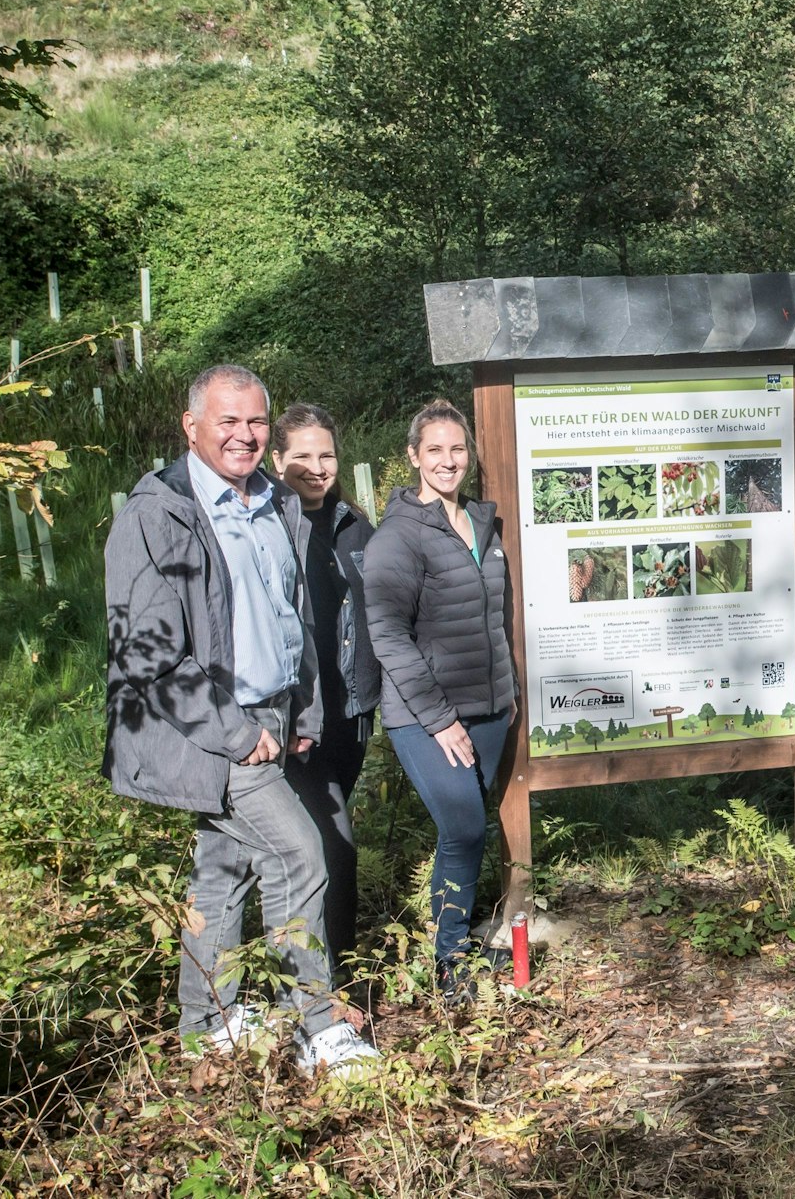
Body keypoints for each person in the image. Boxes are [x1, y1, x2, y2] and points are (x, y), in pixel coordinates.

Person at [102, 365, 378, 1075]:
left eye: (256, 421)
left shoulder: (276, 502)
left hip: (272, 713)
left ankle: (209, 1022)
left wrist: (303, 707)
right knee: (299, 855)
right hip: (212, 727)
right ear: (191, 425)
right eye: (228, 420)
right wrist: (236, 732)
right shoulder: (158, 513)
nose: (245, 435)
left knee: (223, 870)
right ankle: (316, 1026)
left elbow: (292, 615)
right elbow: (148, 652)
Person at [363, 400, 516, 992]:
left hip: (489, 710)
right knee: (464, 828)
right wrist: (438, 719)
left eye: (457, 449)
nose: (448, 461)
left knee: (467, 831)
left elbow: (494, 618)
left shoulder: (481, 524)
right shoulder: (398, 536)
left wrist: (508, 691)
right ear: (413, 456)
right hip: (427, 717)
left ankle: (457, 944)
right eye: (435, 450)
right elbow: (387, 636)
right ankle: (449, 962)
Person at [271, 403, 379, 981]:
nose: (317, 468)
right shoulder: (266, 526)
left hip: (350, 715)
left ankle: (313, 969)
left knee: (321, 845)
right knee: (333, 845)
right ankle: (335, 982)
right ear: (277, 460)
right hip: (297, 721)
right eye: (303, 457)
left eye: (327, 455)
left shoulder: (354, 526)